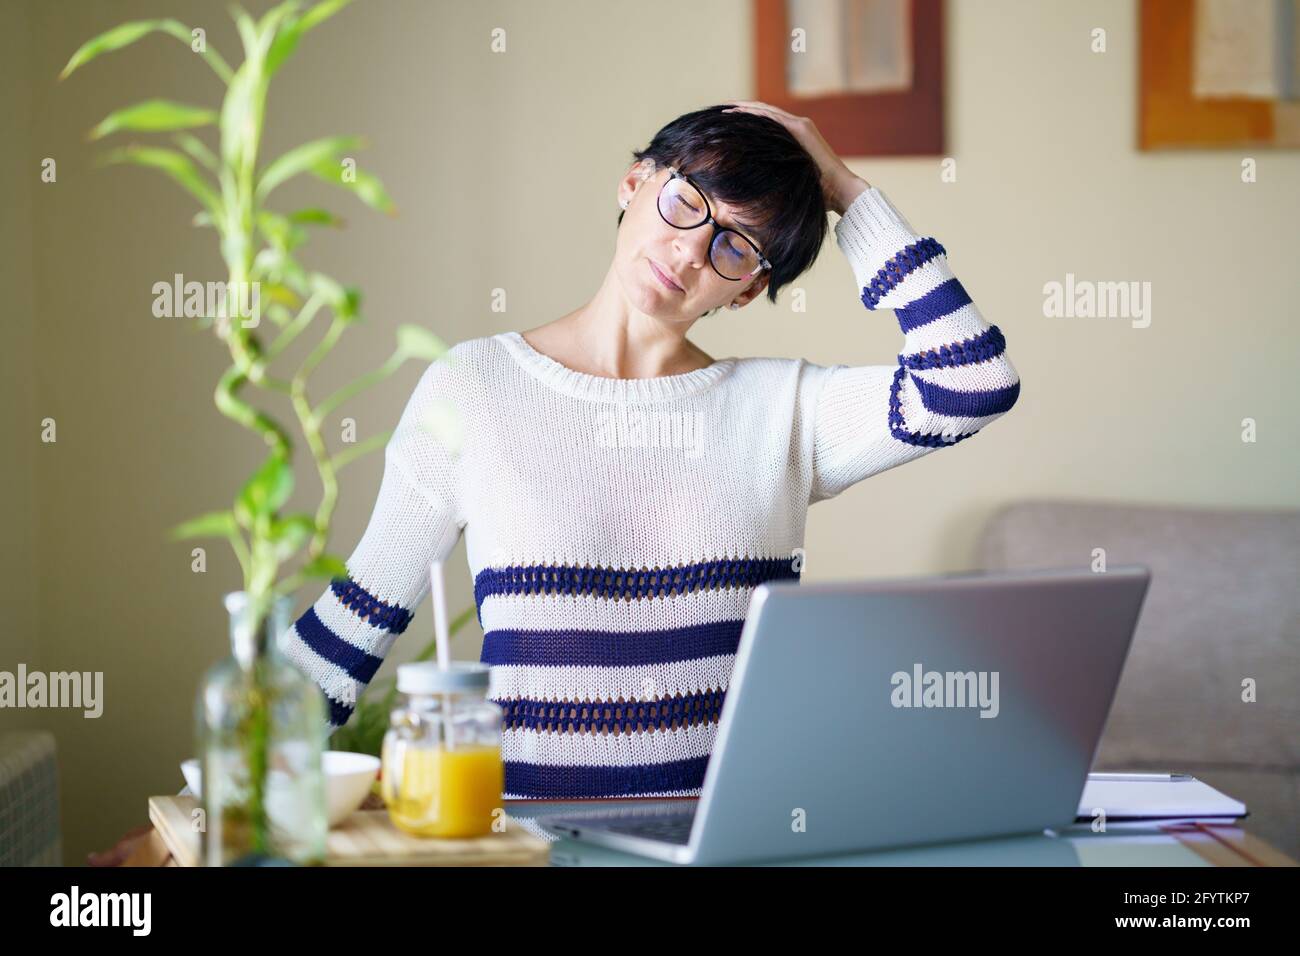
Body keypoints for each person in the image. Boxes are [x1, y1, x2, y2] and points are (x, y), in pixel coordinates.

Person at [278, 101, 1022, 802]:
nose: (691, 248)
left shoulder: (786, 411)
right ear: (635, 183)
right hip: (530, 840)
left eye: (735, 245)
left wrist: (845, 190)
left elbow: (972, 381)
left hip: (728, 838)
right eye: (684, 201)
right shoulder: (473, 387)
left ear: (745, 290)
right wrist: (211, 809)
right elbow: (351, 628)